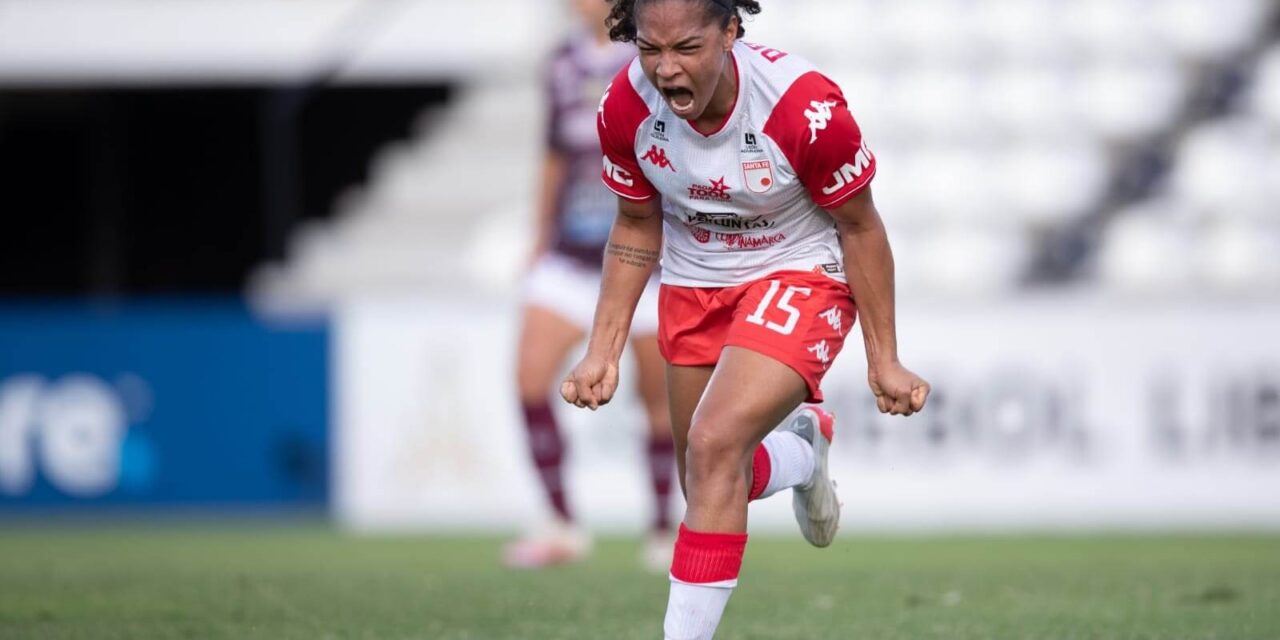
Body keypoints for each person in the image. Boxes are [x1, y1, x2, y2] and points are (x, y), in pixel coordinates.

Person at [560, 0, 931, 637]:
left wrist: (884, 357)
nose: (667, 70)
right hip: (696, 278)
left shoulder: (802, 109)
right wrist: (603, 349)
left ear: (731, 30)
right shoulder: (624, 107)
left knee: (713, 444)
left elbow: (861, 227)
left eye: (687, 50)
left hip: (799, 268)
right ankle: (798, 457)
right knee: (704, 477)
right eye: (650, 50)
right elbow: (635, 223)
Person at [504, 0, 677, 571]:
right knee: (530, 379)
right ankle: (560, 522)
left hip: (645, 258)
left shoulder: (651, 56)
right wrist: (538, 233)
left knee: (657, 402)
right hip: (571, 255)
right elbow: (554, 152)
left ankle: (661, 527)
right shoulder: (559, 63)